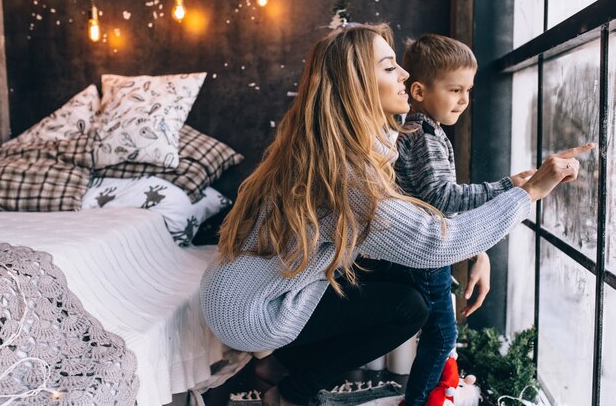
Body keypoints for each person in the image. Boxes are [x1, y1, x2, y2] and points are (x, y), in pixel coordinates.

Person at [199, 23, 593, 406]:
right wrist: (531, 192)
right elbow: (431, 242)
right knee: (409, 307)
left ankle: (276, 368)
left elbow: (414, 214)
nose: (405, 73)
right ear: (356, 87)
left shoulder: (347, 143)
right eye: (389, 67)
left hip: (245, 292)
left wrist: (478, 249)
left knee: (407, 286)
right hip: (252, 311)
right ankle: (290, 392)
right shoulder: (346, 172)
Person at [360, 34, 535, 406]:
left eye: (468, 90)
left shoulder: (416, 130)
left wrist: (477, 249)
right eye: (455, 89)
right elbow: (440, 196)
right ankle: (419, 400)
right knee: (442, 336)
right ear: (420, 91)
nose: (464, 100)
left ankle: (435, 390)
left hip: (416, 249)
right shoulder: (424, 135)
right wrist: (505, 187)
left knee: (435, 331)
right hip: (427, 254)